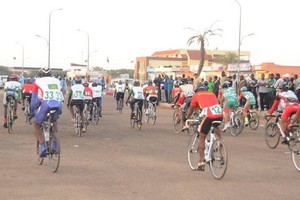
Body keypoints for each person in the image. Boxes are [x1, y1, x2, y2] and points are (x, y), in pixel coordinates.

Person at [185, 83, 223, 171]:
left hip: (208, 115)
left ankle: (201, 162)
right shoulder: (212, 94)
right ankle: (220, 140)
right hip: (219, 114)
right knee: (215, 125)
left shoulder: (196, 95)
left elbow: (191, 109)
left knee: (202, 137)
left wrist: (187, 118)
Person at [30, 68, 63, 157]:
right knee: (54, 121)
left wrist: (32, 111)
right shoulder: (58, 81)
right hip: (58, 104)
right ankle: (55, 143)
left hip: (46, 104)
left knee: (36, 125)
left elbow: (34, 101)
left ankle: (42, 146)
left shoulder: (37, 81)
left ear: (40, 75)